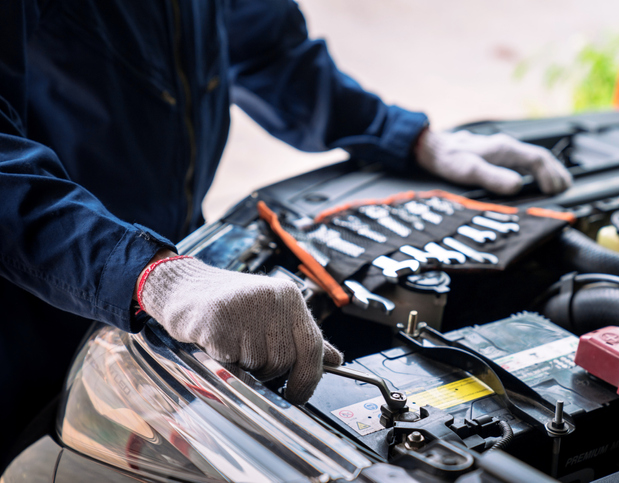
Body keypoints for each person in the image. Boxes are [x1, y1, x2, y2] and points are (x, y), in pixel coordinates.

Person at [0, 0, 571, 462]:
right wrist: (155, 279)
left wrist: (407, 137)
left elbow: (269, 50)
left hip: (176, 263)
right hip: (34, 300)